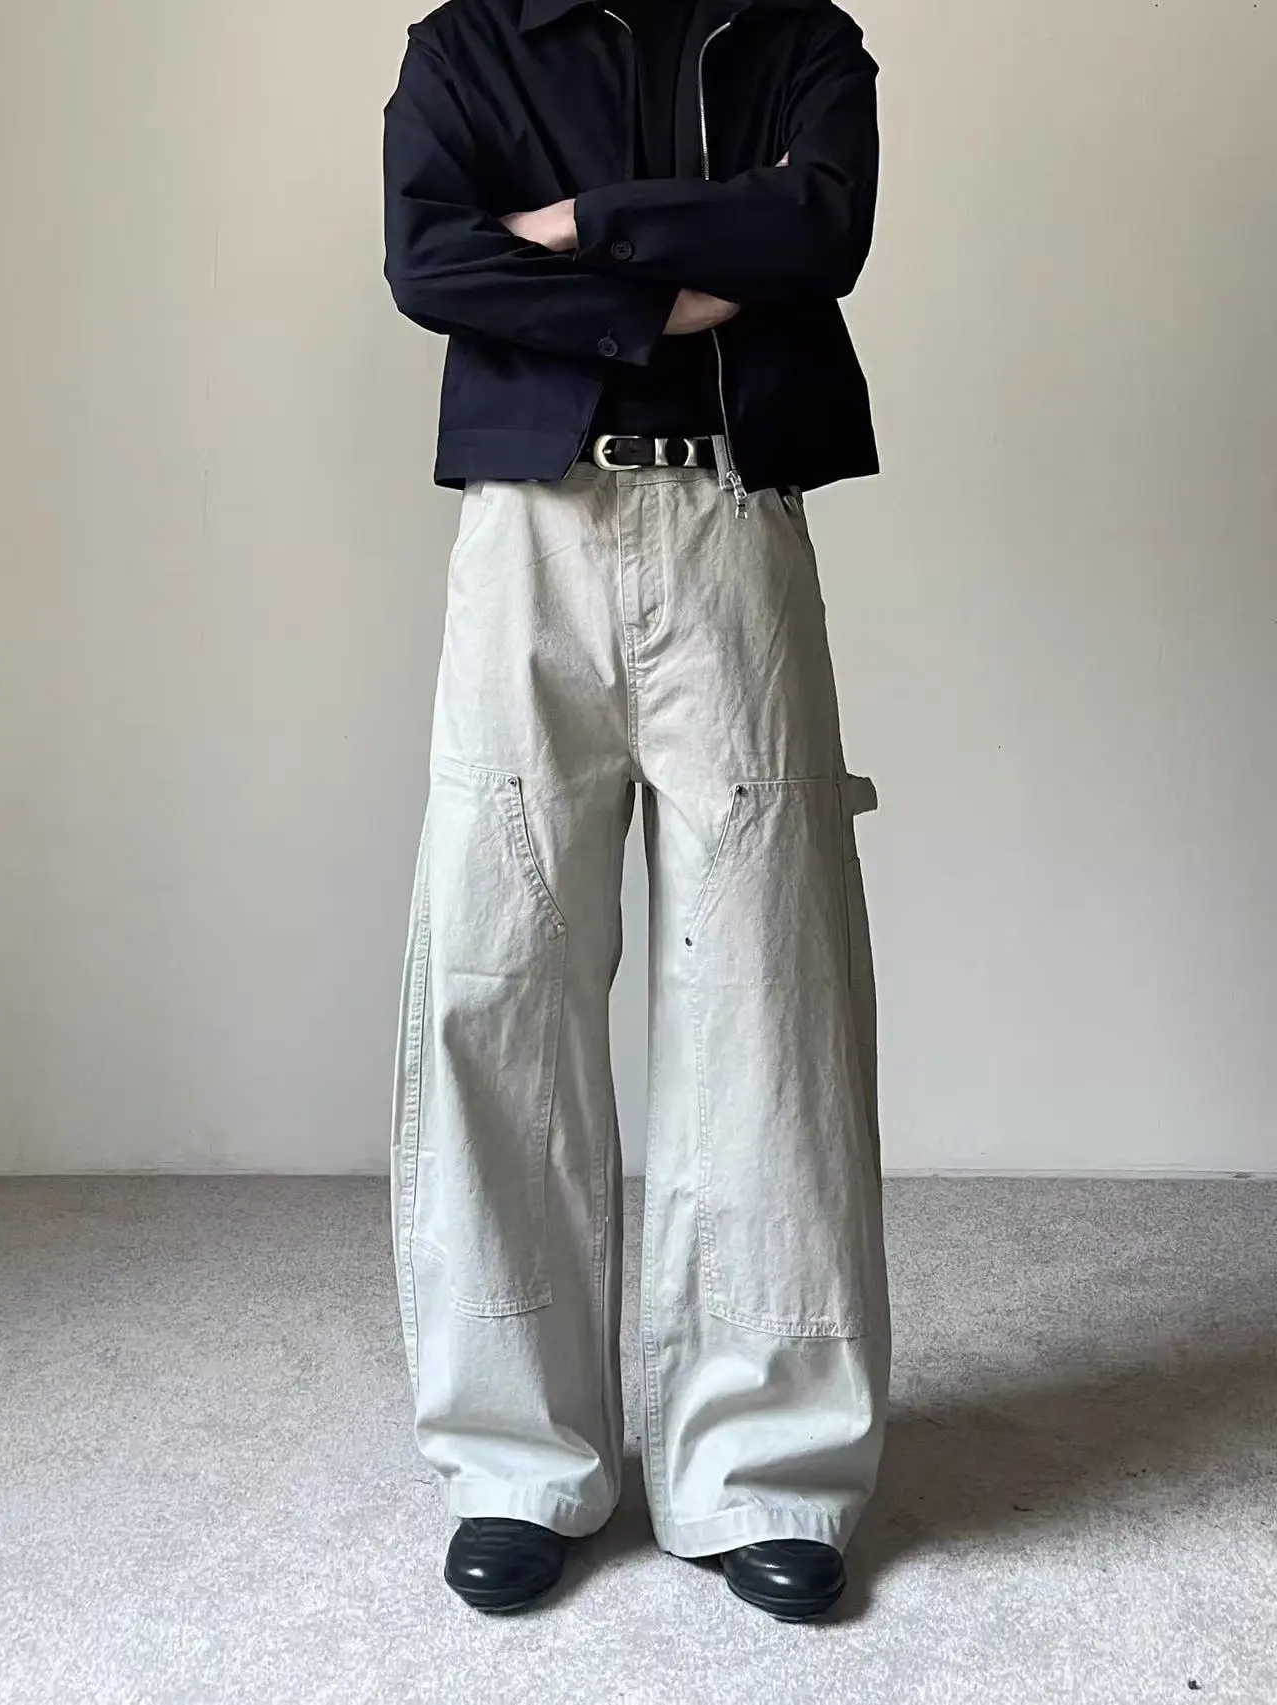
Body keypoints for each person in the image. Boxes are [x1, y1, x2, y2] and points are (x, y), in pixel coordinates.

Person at [383, 0, 889, 1622]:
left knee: (768, 991)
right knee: (497, 978)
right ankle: (515, 1463)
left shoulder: (798, 36)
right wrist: (674, 282)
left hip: (736, 515)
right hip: (528, 525)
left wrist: (581, 223)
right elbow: (431, 262)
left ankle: (768, 1471)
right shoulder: (470, 44)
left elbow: (819, 230)